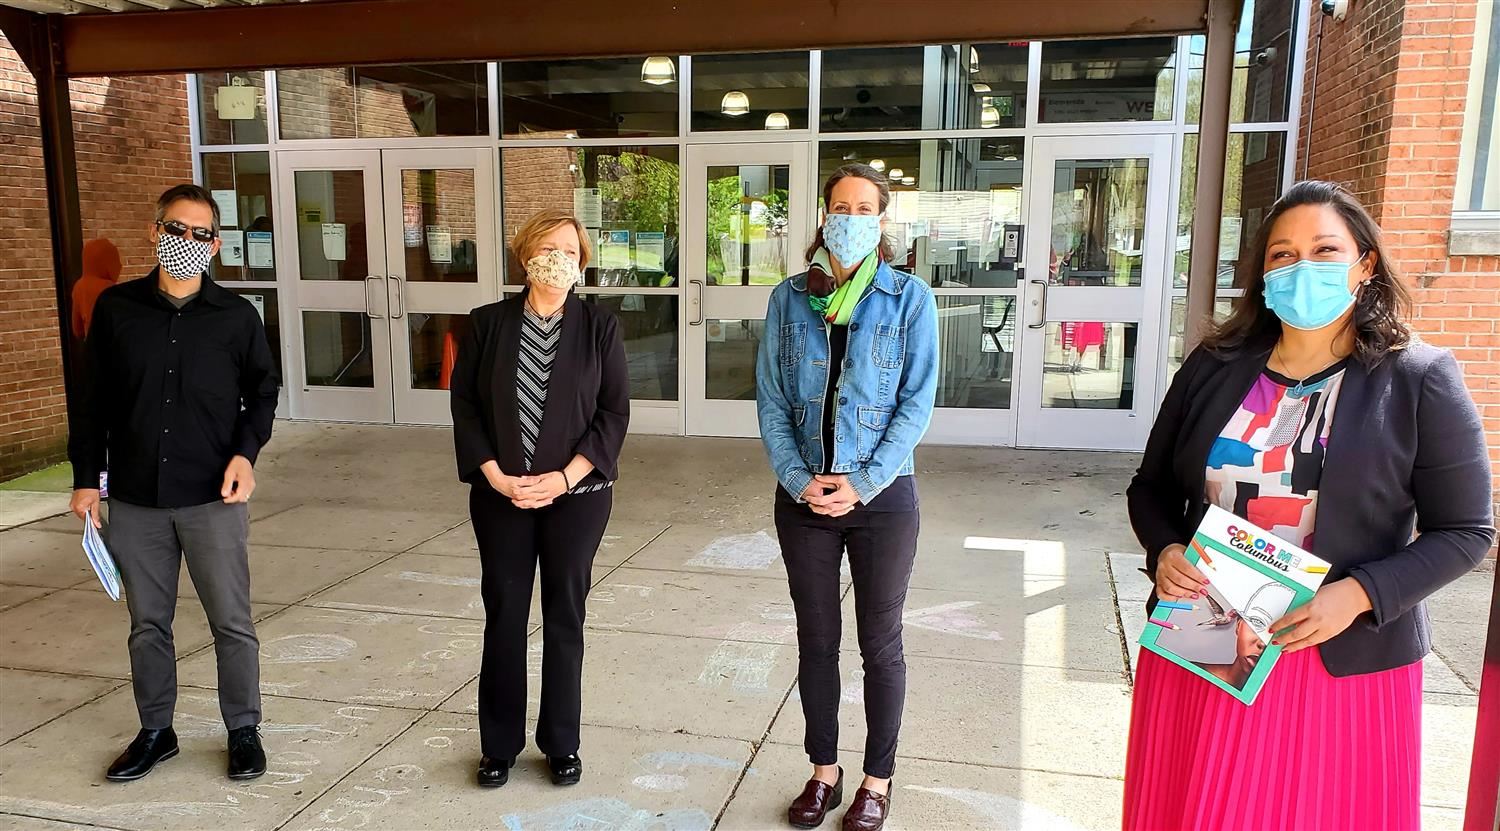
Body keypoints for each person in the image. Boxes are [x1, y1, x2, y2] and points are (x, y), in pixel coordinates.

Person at [1123, 180, 1494, 830]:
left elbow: (1466, 530)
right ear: (1262, 272)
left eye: (1324, 250)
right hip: (1206, 640)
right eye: (1282, 255)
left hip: (1336, 656)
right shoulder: (1213, 366)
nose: (1302, 268)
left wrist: (1357, 595)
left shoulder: (1418, 379)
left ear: (1365, 263)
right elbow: (1149, 487)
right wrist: (1166, 549)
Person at [68, 184, 279, 783]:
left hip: (214, 496)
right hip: (135, 498)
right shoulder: (117, 309)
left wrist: (246, 455)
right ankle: (156, 730)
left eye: (200, 234)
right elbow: (91, 403)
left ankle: (243, 729)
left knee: (231, 621)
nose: (187, 242)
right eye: (176, 229)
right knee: (147, 624)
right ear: (155, 230)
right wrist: (87, 479)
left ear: (215, 244)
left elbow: (263, 391)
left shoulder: (237, 317)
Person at [756, 164, 939, 831]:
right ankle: (823, 772)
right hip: (801, 492)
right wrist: (796, 476)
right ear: (824, 215)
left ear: (881, 220)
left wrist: (860, 482)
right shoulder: (787, 300)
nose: (852, 216)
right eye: (842, 205)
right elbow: (773, 400)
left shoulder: (909, 299)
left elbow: (916, 403)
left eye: (866, 207)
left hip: (883, 498)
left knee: (879, 642)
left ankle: (876, 781)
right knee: (816, 640)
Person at [449, 208, 629, 790]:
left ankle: (560, 743)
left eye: (572, 252)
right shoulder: (486, 323)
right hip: (500, 493)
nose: (560, 259)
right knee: (503, 616)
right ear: (525, 254)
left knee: (564, 616)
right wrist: (496, 476)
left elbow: (613, 413)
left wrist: (566, 477)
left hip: (576, 497)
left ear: (583, 262)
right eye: (549, 248)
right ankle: (498, 745)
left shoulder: (600, 327)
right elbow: (466, 408)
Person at [71, 238, 123, 339]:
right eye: (115, 260)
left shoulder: (79, 286)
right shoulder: (110, 289)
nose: (120, 265)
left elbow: (77, 330)